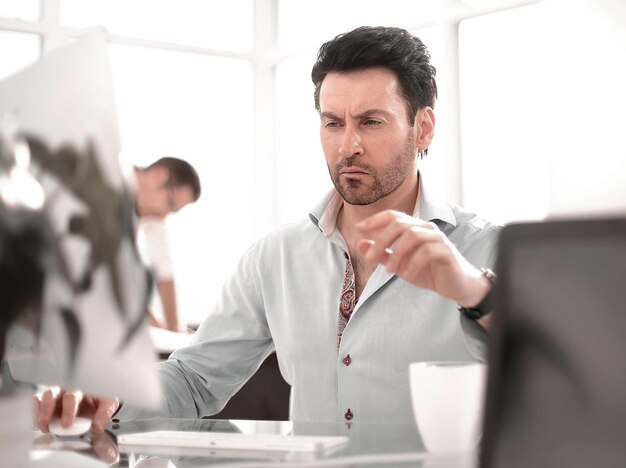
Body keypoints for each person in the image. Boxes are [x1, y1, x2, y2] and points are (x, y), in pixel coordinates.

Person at [35, 26, 500, 433]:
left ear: (423, 128)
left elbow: (555, 371)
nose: (348, 145)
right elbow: (195, 379)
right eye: (333, 123)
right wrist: (112, 397)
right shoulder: (275, 256)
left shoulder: (486, 250)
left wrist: (475, 292)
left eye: (371, 122)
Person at [133, 157, 202, 332]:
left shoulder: (151, 216)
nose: (164, 215)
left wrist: (174, 331)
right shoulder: (107, 181)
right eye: (169, 204)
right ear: (158, 175)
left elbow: (164, 270)